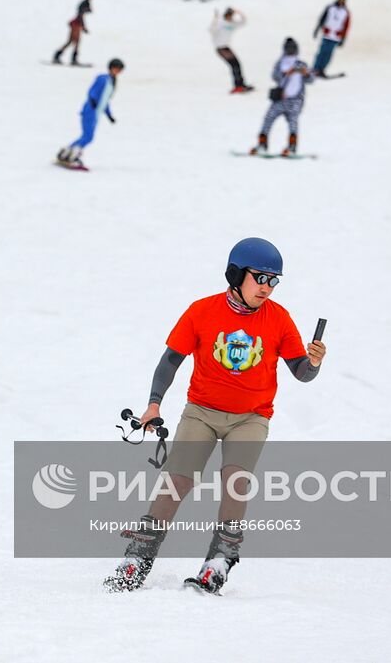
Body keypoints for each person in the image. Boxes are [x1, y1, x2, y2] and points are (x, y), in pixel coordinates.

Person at [104, 237, 325, 593]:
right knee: (177, 481)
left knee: (235, 481)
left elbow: (301, 372)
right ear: (236, 274)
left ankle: (220, 559)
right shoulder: (202, 311)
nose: (267, 288)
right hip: (202, 412)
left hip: (250, 417)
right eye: (261, 278)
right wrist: (154, 403)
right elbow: (170, 361)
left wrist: (313, 363)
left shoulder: (279, 318)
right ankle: (138, 556)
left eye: (274, 281)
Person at [56, 59, 123, 170]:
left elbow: (105, 101)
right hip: (90, 110)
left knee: (86, 136)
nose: (117, 71)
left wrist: (109, 115)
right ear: (111, 68)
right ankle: (73, 155)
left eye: (119, 70)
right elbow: (92, 92)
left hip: (95, 113)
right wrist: (92, 103)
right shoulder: (103, 79)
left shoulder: (112, 82)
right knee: (88, 136)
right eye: (116, 69)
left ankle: (67, 152)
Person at [251, 38, 312, 155]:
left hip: (296, 100)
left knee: (293, 123)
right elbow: (275, 76)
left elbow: (311, 79)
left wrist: (306, 73)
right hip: (280, 99)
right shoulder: (280, 63)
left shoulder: (301, 64)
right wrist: (286, 73)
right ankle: (262, 145)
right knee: (268, 119)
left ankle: (292, 147)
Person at [210, 7, 250, 93]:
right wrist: (215, 19)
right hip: (221, 48)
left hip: (226, 47)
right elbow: (212, 30)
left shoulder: (232, 24)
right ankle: (238, 86)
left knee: (237, 65)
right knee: (235, 65)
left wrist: (239, 12)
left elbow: (244, 22)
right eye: (230, 15)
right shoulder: (220, 23)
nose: (231, 17)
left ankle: (241, 84)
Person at [53, 0, 95, 66]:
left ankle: (59, 55)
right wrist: (83, 26)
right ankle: (69, 58)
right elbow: (80, 15)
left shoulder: (86, 2)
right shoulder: (84, 3)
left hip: (77, 23)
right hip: (77, 24)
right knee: (74, 41)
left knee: (73, 41)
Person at [311, 0, 350, 75]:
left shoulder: (346, 12)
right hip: (327, 34)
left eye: (343, 1)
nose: (341, 3)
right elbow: (322, 19)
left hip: (336, 36)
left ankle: (322, 69)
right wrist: (317, 29)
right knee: (322, 52)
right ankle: (315, 68)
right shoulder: (330, 8)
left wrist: (343, 39)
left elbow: (346, 27)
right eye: (340, 0)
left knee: (328, 54)